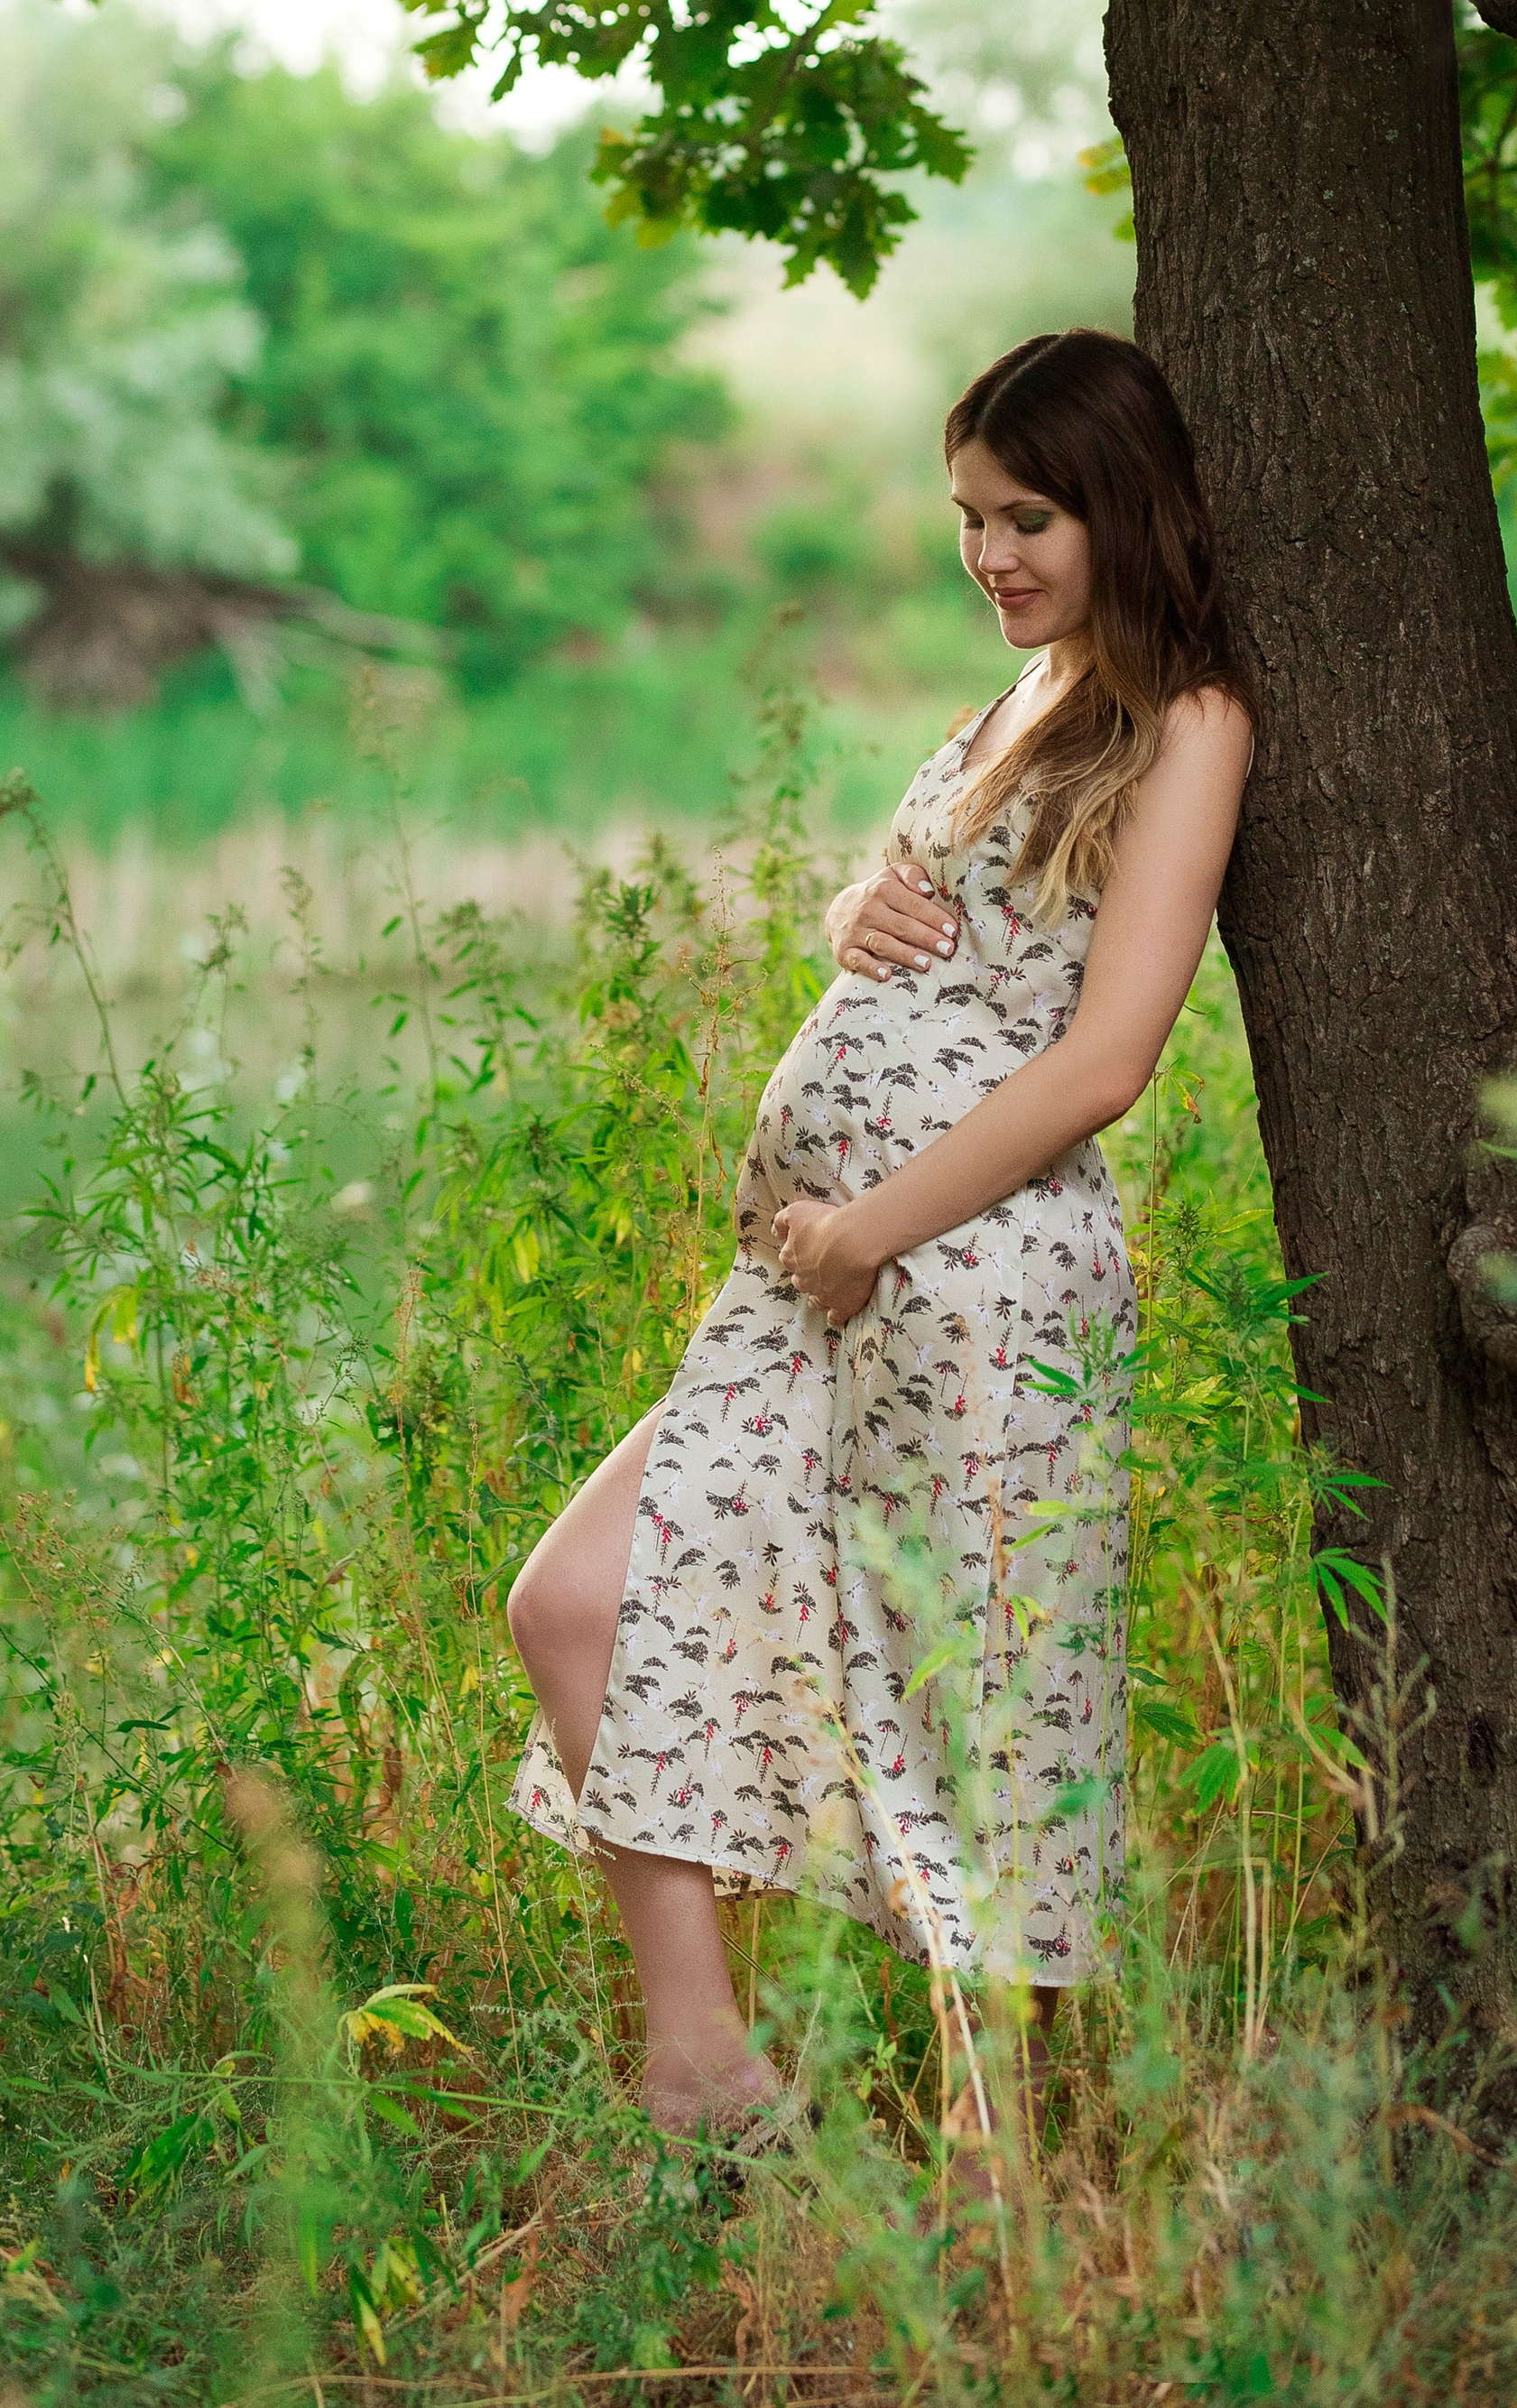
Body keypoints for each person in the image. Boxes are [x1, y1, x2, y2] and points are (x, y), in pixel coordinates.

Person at [506, 327, 1254, 2141]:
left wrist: (867, 1229)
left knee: (971, 1712)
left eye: (1029, 518)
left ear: (1121, 509)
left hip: (972, 1281)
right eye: (967, 518)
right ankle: (705, 2068)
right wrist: (857, 893)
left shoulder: (1187, 721)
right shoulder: (1016, 698)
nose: (990, 554)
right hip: (816, 1279)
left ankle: (1020, 2200)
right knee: (576, 1604)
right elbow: (933, 908)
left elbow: (1103, 1056)